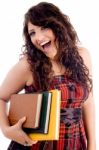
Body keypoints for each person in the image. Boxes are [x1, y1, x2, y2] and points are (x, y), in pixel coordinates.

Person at [0, 2, 96, 150]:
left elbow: (88, 101)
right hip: (37, 146)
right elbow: (1, 97)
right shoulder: (28, 65)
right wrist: (7, 131)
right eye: (32, 33)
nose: (38, 38)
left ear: (59, 25)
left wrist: (93, 145)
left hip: (75, 143)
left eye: (44, 27)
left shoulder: (82, 55)